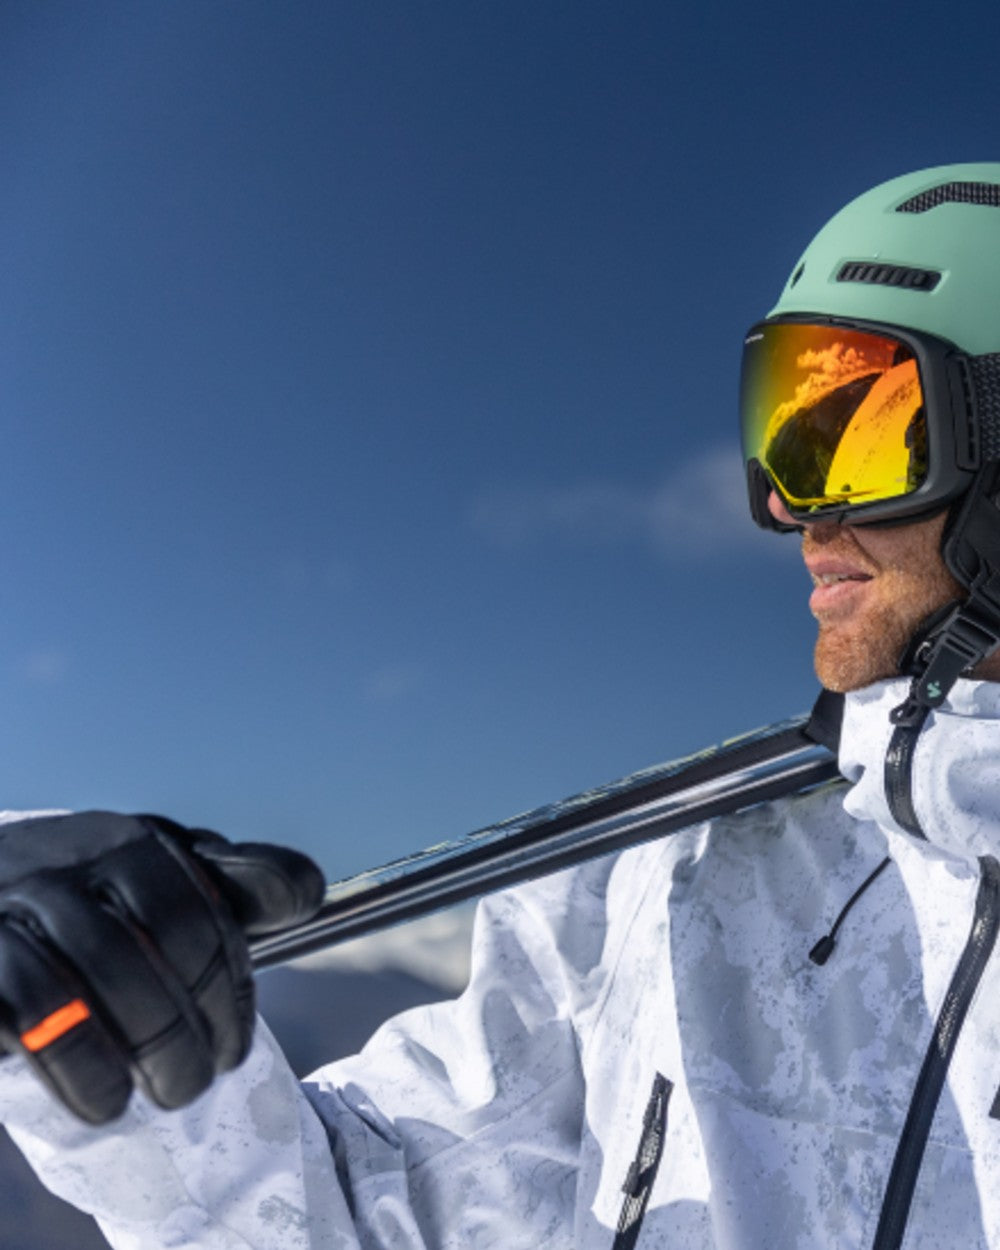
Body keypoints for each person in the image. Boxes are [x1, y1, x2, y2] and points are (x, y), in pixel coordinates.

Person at [2, 161, 1000, 1249]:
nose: (784, 501)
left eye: (862, 431)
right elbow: (341, 1210)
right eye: (785, 428)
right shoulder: (671, 883)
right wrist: (135, 1057)